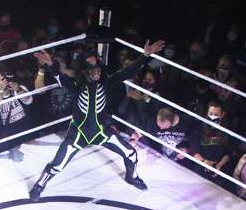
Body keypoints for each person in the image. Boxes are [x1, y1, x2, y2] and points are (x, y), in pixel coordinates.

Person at [28, 40, 166, 201]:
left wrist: (145, 56)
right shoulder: (76, 85)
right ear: (84, 70)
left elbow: (128, 72)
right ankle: (39, 186)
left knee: (131, 154)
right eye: (91, 69)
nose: (96, 73)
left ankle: (132, 177)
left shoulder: (107, 82)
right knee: (57, 165)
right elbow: (60, 78)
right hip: (79, 133)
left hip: (102, 131)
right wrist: (51, 64)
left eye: (97, 68)